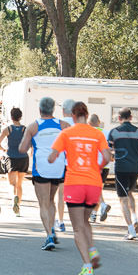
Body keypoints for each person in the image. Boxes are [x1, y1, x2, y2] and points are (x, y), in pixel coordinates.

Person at [48, 101, 110, 275]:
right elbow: (107, 156)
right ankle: (92, 250)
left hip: (75, 182)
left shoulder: (67, 133)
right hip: (93, 183)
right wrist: (98, 167)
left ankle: (87, 266)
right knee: (85, 222)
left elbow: (53, 156)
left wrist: (52, 157)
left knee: (77, 228)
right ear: (86, 114)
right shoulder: (96, 133)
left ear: (73, 116)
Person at [19, 97, 69, 251]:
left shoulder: (33, 126)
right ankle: (52, 229)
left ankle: (48, 236)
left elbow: (22, 148)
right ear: (53, 110)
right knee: (51, 200)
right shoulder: (63, 125)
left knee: (43, 203)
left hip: (41, 167)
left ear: (40, 110)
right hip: (58, 167)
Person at [106, 108, 138, 239]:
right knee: (129, 192)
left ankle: (131, 230)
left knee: (123, 199)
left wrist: (112, 158)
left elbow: (110, 150)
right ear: (131, 117)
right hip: (135, 167)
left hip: (121, 167)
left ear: (119, 118)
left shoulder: (114, 132)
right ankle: (135, 217)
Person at [0, 107, 27, 216]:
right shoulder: (25, 129)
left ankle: (14, 198)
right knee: (20, 184)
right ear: (20, 117)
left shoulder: (7, 129)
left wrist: (4, 150)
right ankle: (18, 209)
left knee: (12, 183)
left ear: (11, 117)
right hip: (23, 158)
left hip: (11, 157)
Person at [54, 98, 76, 233]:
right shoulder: (80, 125)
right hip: (77, 165)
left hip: (63, 163)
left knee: (61, 194)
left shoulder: (59, 124)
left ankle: (61, 222)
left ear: (63, 110)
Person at [87, 114, 111, 224]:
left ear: (88, 123)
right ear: (99, 122)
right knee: (98, 190)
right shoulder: (107, 133)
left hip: (93, 165)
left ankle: (102, 205)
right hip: (105, 166)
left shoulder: (87, 133)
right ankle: (94, 214)